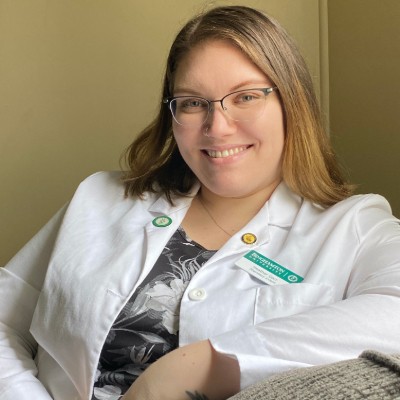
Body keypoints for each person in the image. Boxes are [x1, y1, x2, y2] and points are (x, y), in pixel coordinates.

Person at [0, 5, 399, 400]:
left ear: (292, 104)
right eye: (192, 102)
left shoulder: (355, 226)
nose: (217, 127)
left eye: (245, 97)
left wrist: (197, 366)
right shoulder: (98, 197)